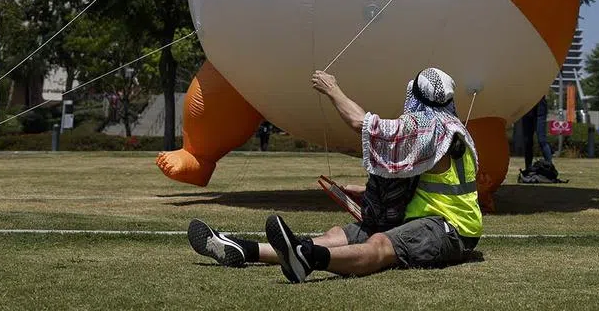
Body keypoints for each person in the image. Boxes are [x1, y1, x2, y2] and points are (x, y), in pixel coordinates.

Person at [186, 67, 483, 283]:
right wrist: (365, 193)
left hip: (452, 230)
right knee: (336, 235)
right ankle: (244, 248)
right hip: (416, 217)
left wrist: (332, 89)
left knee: (379, 245)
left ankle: (309, 258)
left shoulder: (434, 131)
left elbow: (363, 123)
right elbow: (419, 181)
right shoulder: (446, 128)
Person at [519, 96, 553, 174]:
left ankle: (550, 166)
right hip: (527, 110)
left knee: (542, 140)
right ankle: (528, 167)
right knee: (527, 141)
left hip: (540, 110)